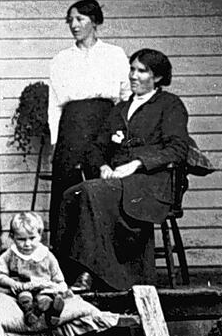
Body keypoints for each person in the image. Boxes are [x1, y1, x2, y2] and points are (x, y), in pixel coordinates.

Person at [60, 48, 191, 291]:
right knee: (72, 194)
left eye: (142, 71)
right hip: (119, 181)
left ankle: (91, 274)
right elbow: (96, 147)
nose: (133, 75)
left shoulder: (169, 105)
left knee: (92, 192)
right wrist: (103, 166)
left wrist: (137, 163)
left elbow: (177, 149)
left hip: (153, 182)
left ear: (158, 77)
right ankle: (73, 272)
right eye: (132, 69)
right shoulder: (120, 109)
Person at [46, 0, 131, 247]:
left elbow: (126, 96)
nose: (74, 25)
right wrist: (56, 141)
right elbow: (55, 104)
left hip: (106, 122)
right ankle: (66, 256)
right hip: (72, 127)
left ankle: (105, 254)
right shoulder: (61, 59)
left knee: (104, 186)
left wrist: (123, 132)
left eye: (80, 19)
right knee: (68, 187)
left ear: (95, 22)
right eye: (70, 20)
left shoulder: (114, 54)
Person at [0, 211, 70, 330]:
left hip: (42, 287)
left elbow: (57, 276)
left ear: (40, 235)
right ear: (12, 237)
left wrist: (58, 286)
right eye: (21, 239)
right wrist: (12, 283)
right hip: (22, 287)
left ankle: (53, 311)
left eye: (32, 238)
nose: (27, 244)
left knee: (44, 297)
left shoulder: (46, 255)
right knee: (24, 297)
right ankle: (31, 312)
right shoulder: (10, 255)